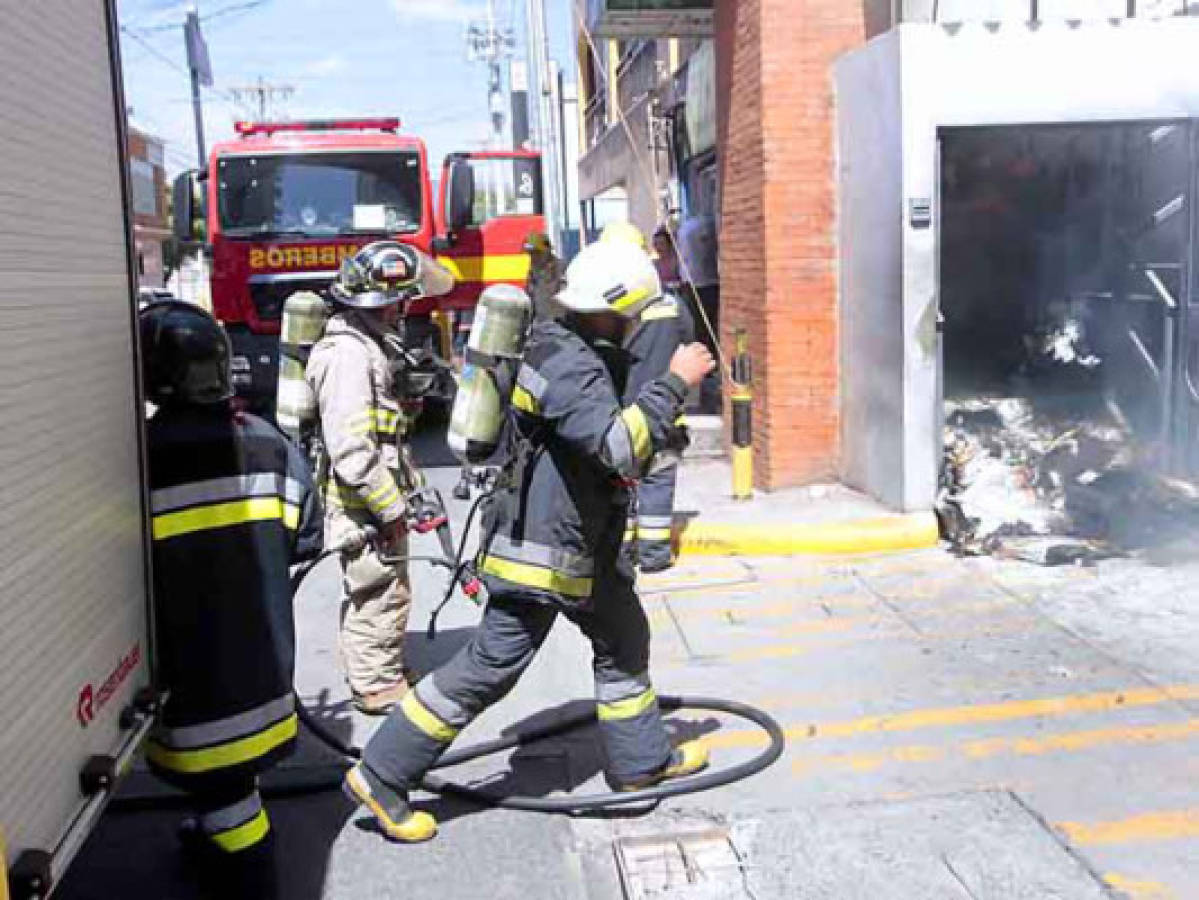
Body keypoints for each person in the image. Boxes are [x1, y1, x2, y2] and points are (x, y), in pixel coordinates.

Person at [342, 238, 717, 843]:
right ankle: (382, 773)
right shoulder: (567, 364)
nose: (632, 329)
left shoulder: (568, 349)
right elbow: (614, 445)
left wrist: (659, 434)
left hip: (582, 548)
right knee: (490, 666)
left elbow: (610, 449)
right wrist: (673, 382)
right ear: (612, 310)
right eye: (630, 317)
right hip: (544, 555)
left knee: (623, 637)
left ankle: (639, 764)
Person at [140, 301, 322, 899]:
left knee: (231, 805)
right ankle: (216, 831)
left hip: (190, 691)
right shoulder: (267, 445)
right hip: (265, 681)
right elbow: (307, 534)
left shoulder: (133, 463)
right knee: (229, 789)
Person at [307, 241, 454, 715]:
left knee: (391, 587)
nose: (402, 310)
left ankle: (384, 671)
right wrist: (391, 509)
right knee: (377, 591)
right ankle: (375, 687)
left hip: (374, 498)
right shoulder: (347, 354)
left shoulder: (367, 345)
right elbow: (352, 451)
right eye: (397, 301)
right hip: (362, 503)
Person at [603, 222, 696, 573]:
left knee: (620, 483)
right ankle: (654, 555)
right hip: (665, 407)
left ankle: (622, 553)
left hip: (620, 412)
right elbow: (689, 340)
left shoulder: (603, 308)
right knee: (658, 478)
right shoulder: (670, 304)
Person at [523, 231, 564, 321]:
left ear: (547, 251)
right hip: (539, 326)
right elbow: (529, 299)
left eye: (537, 252)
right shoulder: (533, 271)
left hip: (559, 326)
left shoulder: (561, 269)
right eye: (530, 253)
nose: (533, 257)